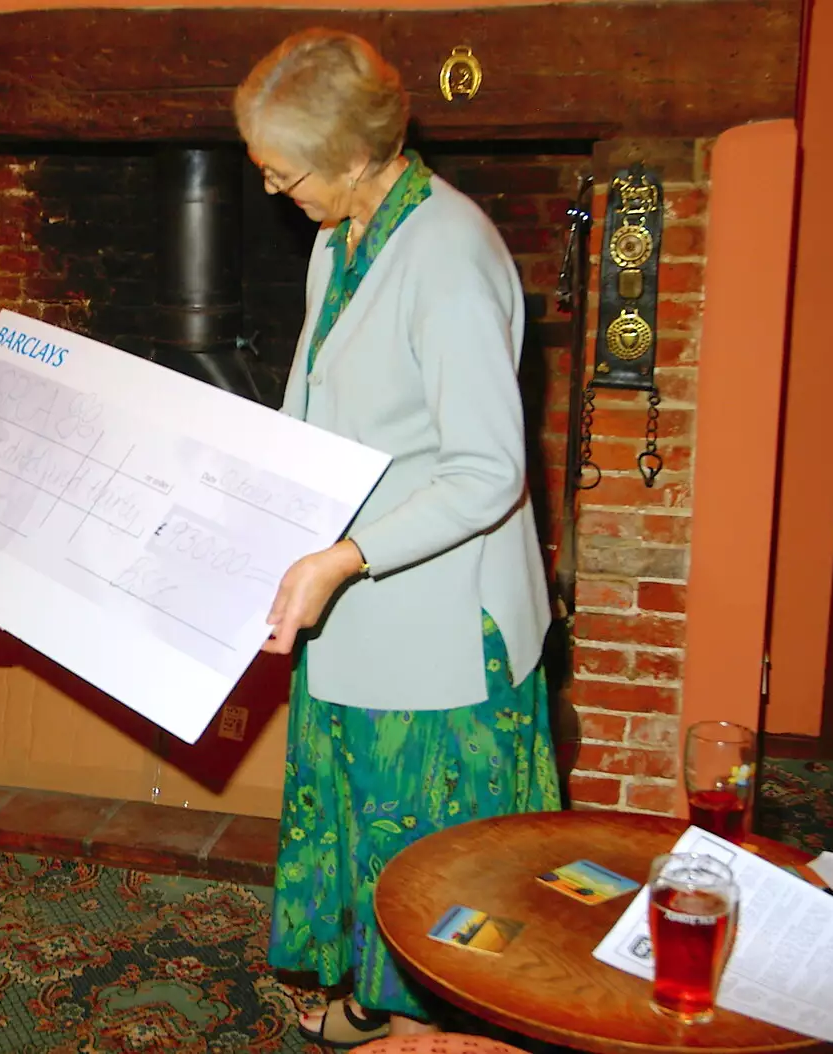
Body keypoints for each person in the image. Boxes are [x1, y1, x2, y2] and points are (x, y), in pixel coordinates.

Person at [233, 30, 562, 1048]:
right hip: (358, 609)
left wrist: (341, 557)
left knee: (434, 850)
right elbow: (316, 396)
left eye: (282, 170)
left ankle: (443, 1022)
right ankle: (381, 999)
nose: (269, 188)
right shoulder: (338, 239)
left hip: (436, 622)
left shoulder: (449, 251)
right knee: (360, 809)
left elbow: (486, 470)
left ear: (356, 154)